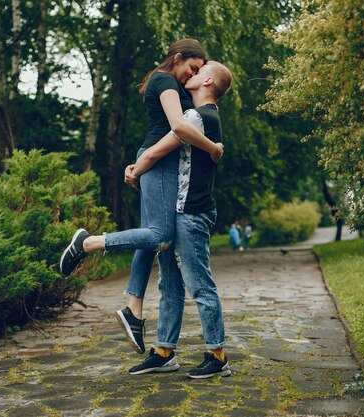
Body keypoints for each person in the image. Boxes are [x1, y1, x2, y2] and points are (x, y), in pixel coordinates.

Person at [59, 39, 224, 354]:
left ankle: (134, 311)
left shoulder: (171, 84)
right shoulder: (165, 81)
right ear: (178, 58)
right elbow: (177, 125)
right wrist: (212, 148)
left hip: (160, 164)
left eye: (201, 71)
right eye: (193, 66)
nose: (195, 73)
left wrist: (141, 165)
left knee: (155, 241)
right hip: (160, 163)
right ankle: (88, 243)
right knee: (159, 236)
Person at [124, 61, 233, 378]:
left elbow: (155, 152)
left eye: (199, 71)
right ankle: (163, 351)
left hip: (191, 212)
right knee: (169, 283)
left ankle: (217, 355)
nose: (191, 74)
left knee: (200, 285)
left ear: (208, 80)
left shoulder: (197, 117)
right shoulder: (207, 117)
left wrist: (136, 169)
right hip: (182, 210)